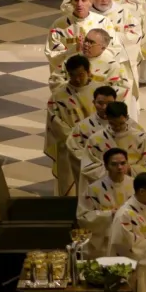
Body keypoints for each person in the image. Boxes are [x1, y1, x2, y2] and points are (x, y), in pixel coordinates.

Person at [80, 101, 146, 199]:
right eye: (113, 124)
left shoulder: (140, 137)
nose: (117, 127)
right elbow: (87, 166)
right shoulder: (95, 139)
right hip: (107, 189)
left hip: (134, 186)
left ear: (126, 117)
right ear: (107, 118)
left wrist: (130, 169)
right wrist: (111, 171)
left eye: (121, 123)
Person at [45, 56, 95, 196]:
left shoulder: (99, 92)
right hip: (68, 146)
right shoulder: (58, 96)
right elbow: (54, 121)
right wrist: (76, 138)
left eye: (81, 74)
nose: (77, 79)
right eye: (73, 75)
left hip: (94, 145)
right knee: (70, 187)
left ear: (88, 71)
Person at [77, 147, 135, 259]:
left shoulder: (135, 185)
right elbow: (83, 217)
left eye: (123, 163)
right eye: (114, 164)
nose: (120, 167)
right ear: (106, 166)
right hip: (104, 242)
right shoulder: (93, 189)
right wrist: (110, 214)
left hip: (129, 238)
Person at [45, 0, 110, 74]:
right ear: (71, 2)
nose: (79, 4)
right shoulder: (58, 25)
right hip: (70, 73)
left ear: (91, 2)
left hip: (97, 71)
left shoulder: (103, 22)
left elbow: (113, 47)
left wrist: (93, 53)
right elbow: (52, 54)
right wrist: (75, 49)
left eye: (83, 0)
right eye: (76, 0)